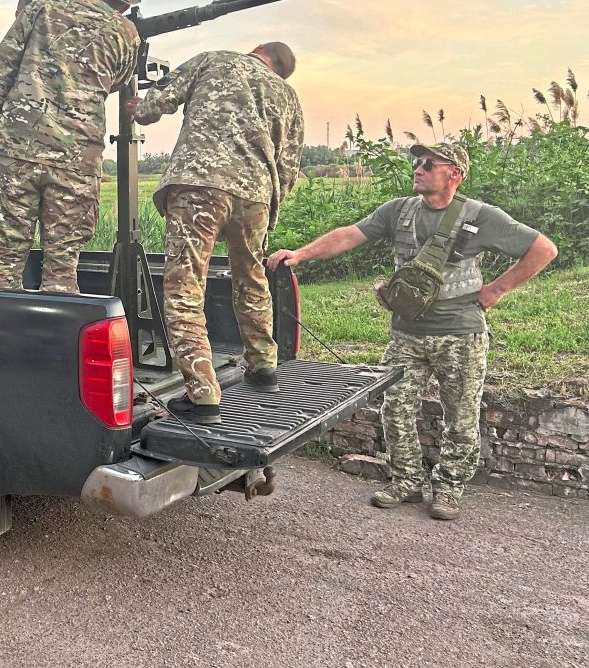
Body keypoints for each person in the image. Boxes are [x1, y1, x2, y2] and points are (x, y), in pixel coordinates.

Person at [267, 142, 558, 520]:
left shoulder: (482, 216)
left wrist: (495, 290)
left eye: (428, 164)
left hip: (461, 333)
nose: (418, 169)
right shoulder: (399, 211)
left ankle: (449, 489)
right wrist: (300, 254)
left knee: (461, 415)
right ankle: (405, 481)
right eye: (417, 163)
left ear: (454, 174)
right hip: (406, 332)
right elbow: (349, 234)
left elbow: (543, 249)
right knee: (396, 408)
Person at [126, 44, 303, 425]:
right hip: (256, 196)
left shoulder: (216, 59)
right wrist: (269, 208)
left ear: (257, 51)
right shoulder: (288, 96)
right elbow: (288, 165)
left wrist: (139, 108)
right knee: (252, 278)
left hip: (199, 185)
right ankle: (263, 364)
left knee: (185, 288)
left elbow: (158, 102)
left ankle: (204, 395)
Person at [0, 0, 142, 293]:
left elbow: (0, 67)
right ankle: (59, 341)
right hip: (76, 159)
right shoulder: (127, 33)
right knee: (63, 268)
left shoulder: (44, 7)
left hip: (17, 149)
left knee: (3, 263)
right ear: (124, 5)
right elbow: (116, 81)